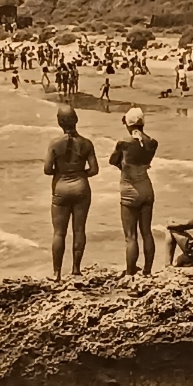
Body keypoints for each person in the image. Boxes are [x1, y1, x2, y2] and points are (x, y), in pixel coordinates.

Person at [44, 105, 100, 281]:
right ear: (76, 120)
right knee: (79, 229)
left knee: (59, 233)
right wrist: (79, 173)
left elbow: (47, 169)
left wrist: (62, 173)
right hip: (81, 188)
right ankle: (76, 269)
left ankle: (56, 273)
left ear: (59, 121)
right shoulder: (86, 143)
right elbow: (94, 170)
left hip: (61, 188)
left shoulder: (54, 143)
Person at [110, 107, 158, 277]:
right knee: (146, 232)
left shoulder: (123, 144)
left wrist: (123, 166)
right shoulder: (152, 143)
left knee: (130, 236)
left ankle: (130, 272)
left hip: (130, 190)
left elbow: (112, 161)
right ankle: (148, 270)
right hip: (146, 187)